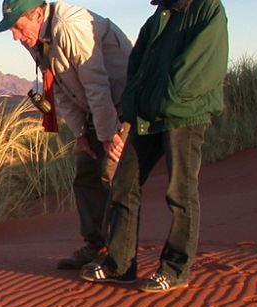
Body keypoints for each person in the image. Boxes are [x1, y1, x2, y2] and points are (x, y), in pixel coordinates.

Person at [81, 0, 228, 292]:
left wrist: (166, 97)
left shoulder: (207, 8)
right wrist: (136, 103)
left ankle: (175, 270)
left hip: (186, 116)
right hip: (149, 116)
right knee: (124, 183)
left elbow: (202, 65)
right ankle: (120, 265)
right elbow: (137, 66)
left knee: (180, 191)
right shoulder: (158, 18)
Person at [0, 0, 132, 270]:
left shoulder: (71, 27)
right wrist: (81, 133)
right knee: (85, 171)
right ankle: (96, 246)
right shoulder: (34, 39)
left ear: (37, 14)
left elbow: (97, 84)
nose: (15, 36)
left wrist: (107, 134)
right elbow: (58, 88)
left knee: (111, 172)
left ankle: (120, 258)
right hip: (97, 107)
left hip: (123, 102)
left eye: (18, 27)